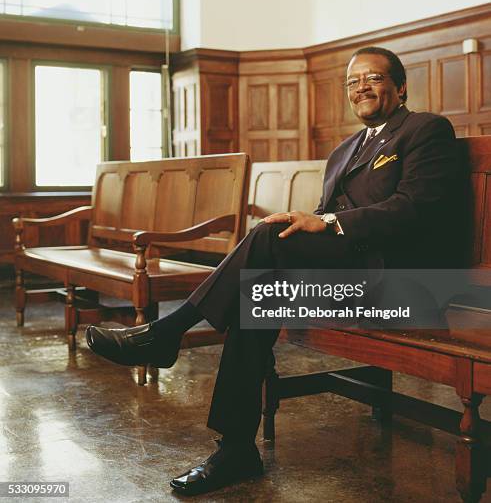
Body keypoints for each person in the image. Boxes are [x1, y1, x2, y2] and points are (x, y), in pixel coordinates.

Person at [86, 46, 460, 496]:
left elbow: (414, 210)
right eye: (353, 81)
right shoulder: (344, 151)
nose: (361, 87)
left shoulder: (425, 130)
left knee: (264, 240)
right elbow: (327, 219)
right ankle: (237, 448)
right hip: (350, 278)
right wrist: (310, 221)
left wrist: (323, 223)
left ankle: (168, 333)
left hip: (404, 285)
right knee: (256, 294)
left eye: (374, 78)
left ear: (400, 87)